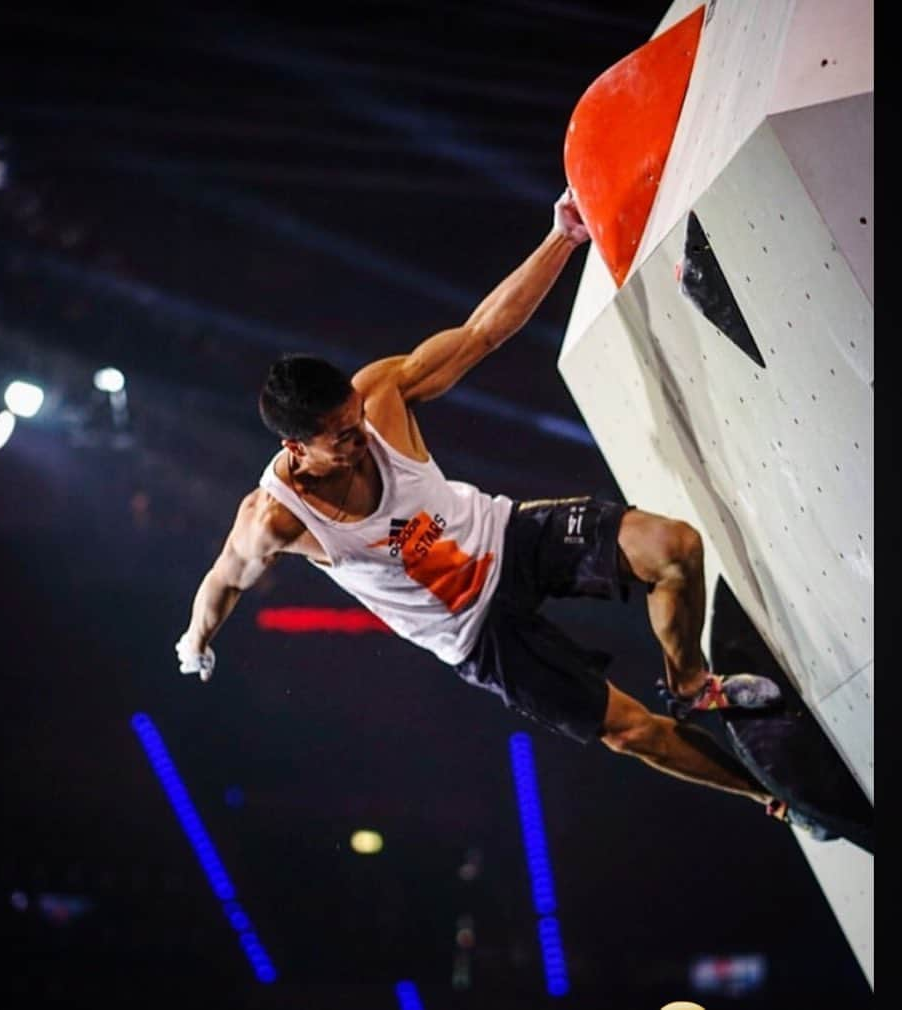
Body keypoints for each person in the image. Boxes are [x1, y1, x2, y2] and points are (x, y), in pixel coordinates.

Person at [174, 189, 790, 820]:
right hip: (475, 634)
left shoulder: (380, 394)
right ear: (295, 447)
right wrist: (196, 640)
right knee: (629, 731)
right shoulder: (276, 517)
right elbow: (224, 581)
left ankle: (691, 684)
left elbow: (482, 332)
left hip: (508, 538)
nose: (360, 439)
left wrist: (563, 238)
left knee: (675, 547)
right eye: (341, 438)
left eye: (356, 420)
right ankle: (770, 797)